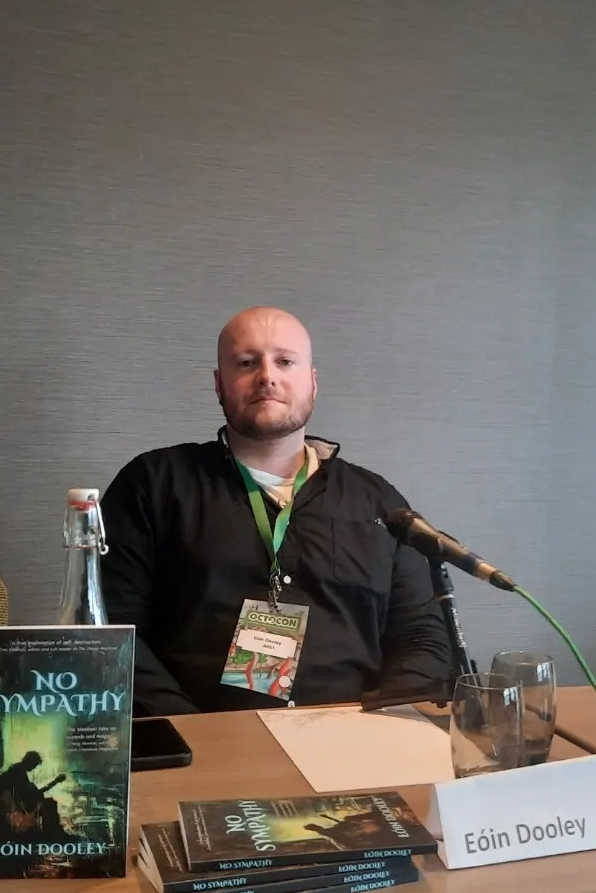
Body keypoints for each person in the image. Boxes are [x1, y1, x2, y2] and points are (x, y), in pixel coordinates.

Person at [100, 305, 452, 715]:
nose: (267, 375)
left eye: (285, 361)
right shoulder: (153, 484)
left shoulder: (379, 501)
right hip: (207, 748)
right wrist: (190, 736)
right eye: (247, 362)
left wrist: (385, 722)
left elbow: (422, 635)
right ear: (219, 384)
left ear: (313, 383)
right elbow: (113, 632)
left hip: (355, 741)